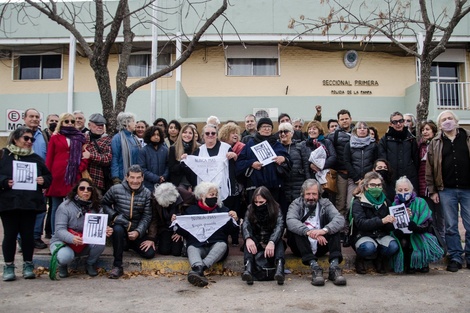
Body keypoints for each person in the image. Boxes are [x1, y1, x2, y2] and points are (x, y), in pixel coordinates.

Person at [0, 127, 52, 281]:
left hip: (29, 203)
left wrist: (44, 181)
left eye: (32, 139)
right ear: (15, 139)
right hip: (9, 203)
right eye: (26, 138)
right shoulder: (3, 156)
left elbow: (48, 176)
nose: (29, 142)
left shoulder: (35, 158)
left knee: (28, 236)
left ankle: (28, 264)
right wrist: (4, 181)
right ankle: (9, 266)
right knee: (10, 235)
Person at [426, 110, 470, 272]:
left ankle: (469, 256)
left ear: (456, 121)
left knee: (469, 224)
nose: (447, 121)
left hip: (467, 189)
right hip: (446, 190)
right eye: (444, 119)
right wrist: (433, 191)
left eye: (450, 118)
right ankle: (455, 256)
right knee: (451, 226)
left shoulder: (467, 138)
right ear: (439, 125)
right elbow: (429, 169)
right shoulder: (435, 143)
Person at [175, 182, 239, 287]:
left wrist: (234, 220)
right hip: (198, 245)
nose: (214, 197)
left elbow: (231, 231)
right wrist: (177, 224)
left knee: (222, 245)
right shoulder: (191, 211)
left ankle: (199, 269)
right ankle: (198, 268)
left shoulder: (223, 210)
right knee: (191, 248)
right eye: (211, 195)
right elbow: (184, 232)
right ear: (202, 196)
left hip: (215, 246)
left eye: (215, 195)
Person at [286, 179, 346, 286]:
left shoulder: (325, 203)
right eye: (308, 194)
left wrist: (324, 230)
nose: (311, 197)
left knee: (334, 229)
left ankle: (334, 268)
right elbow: (290, 221)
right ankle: (315, 268)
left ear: (319, 194)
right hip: (301, 246)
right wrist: (308, 232)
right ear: (303, 194)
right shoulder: (296, 204)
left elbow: (339, 219)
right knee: (296, 230)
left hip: (321, 244)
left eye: (314, 194)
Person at [49, 178, 113, 278]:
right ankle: (62, 265)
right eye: (82, 188)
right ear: (76, 191)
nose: (86, 191)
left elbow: (99, 228)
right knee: (65, 257)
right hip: (63, 242)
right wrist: (72, 238)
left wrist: (106, 229)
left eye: (89, 189)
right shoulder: (64, 207)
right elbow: (59, 230)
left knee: (100, 242)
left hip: (84, 241)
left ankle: (90, 263)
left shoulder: (97, 207)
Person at [102, 165, 154, 279]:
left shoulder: (146, 193)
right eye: (132, 177)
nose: (135, 181)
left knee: (149, 253)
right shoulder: (116, 189)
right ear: (126, 177)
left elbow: (147, 216)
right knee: (118, 229)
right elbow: (104, 204)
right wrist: (114, 216)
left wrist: (138, 232)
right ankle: (117, 266)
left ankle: (128, 244)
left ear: (142, 178)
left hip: (136, 229)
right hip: (120, 226)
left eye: (138, 178)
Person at [390, 176, 444, 274]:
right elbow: (392, 225)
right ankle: (409, 264)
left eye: (406, 189)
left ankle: (423, 263)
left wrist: (416, 226)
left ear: (411, 190)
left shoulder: (420, 202)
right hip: (404, 235)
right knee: (403, 242)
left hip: (419, 232)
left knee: (420, 239)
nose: (403, 192)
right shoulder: (394, 205)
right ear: (396, 191)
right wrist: (397, 229)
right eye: (400, 190)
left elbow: (427, 222)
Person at [46, 113, 88, 235]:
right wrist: (47, 176)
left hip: (74, 176)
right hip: (57, 176)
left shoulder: (81, 138)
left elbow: (85, 156)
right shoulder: (55, 137)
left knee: (74, 206)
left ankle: (72, 234)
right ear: (61, 123)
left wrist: (79, 168)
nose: (69, 123)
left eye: (72, 121)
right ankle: (56, 235)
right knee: (56, 207)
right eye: (66, 121)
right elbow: (49, 158)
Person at [350, 171, 399, 274]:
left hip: (381, 234)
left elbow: (390, 226)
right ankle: (360, 259)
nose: (376, 187)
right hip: (363, 235)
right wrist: (382, 221)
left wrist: (399, 217)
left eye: (379, 185)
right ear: (366, 186)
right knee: (368, 247)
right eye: (372, 185)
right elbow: (361, 223)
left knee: (393, 246)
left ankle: (379, 258)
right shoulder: (358, 202)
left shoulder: (386, 201)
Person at [236, 117, 291, 203]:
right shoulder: (250, 144)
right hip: (255, 186)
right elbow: (239, 163)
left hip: (274, 187)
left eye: (269, 127)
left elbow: (289, 161)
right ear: (258, 129)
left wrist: (283, 159)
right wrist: (251, 163)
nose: (266, 129)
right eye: (263, 127)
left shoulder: (277, 144)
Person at [241, 186, 285, 285]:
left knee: (279, 243)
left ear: (267, 200)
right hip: (256, 239)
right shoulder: (250, 208)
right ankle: (248, 269)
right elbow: (245, 224)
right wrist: (248, 238)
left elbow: (280, 226)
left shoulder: (276, 208)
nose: (258, 205)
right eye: (256, 202)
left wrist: (272, 241)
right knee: (248, 244)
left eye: (261, 202)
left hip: (271, 238)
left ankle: (280, 269)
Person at [145, 183, 195, 256]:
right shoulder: (155, 197)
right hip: (164, 226)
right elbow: (154, 219)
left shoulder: (186, 196)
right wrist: (151, 238)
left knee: (176, 252)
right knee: (164, 250)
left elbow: (191, 215)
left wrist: (182, 230)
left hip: (180, 227)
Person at [23, 108, 49, 249]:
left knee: (40, 209)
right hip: (22, 180)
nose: (34, 119)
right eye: (31, 116)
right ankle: (22, 239)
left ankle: (36, 237)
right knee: (23, 210)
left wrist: (46, 178)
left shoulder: (43, 135)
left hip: (40, 179)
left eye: (37, 116)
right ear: (25, 118)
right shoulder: (18, 134)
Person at [326, 109, 353, 237]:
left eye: (346, 118)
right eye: (342, 119)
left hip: (355, 176)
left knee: (352, 204)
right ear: (338, 121)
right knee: (340, 204)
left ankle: (351, 230)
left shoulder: (358, 133)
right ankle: (341, 231)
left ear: (351, 119)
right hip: (341, 174)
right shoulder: (333, 136)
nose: (344, 121)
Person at [379, 111, 419, 194]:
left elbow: (416, 159)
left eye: (400, 121)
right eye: (395, 122)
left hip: (409, 178)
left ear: (403, 122)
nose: (398, 124)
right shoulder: (385, 140)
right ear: (391, 124)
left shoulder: (411, 139)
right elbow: (383, 160)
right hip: (391, 180)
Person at [418, 121, 445, 242]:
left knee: (441, 216)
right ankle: (432, 240)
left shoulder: (439, 144)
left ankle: (442, 241)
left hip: (438, 185)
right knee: (429, 215)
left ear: (433, 131)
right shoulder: (420, 146)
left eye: (427, 129)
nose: (425, 132)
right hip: (423, 185)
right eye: (423, 130)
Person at [344, 121, 378, 207]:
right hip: (353, 180)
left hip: (369, 180)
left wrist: (368, 177)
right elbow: (347, 162)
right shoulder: (349, 145)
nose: (362, 130)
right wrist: (356, 178)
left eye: (364, 128)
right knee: (350, 204)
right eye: (359, 128)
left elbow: (376, 161)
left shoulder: (373, 145)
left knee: (369, 204)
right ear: (355, 130)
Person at [278, 122, 308, 216]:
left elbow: (306, 166)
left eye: (286, 131)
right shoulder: (276, 148)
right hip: (283, 187)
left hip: (298, 185)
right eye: (280, 132)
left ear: (292, 133)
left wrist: (307, 184)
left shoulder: (300, 147)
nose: (283, 134)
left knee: (298, 213)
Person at [82, 113, 112, 194]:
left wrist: (90, 156)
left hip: (97, 180)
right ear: (89, 125)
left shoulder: (108, 140)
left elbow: (107, 159)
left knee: (97, 203)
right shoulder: (82, 137)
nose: (100, 127)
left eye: (102, 125)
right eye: (97, 125)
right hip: (81, 179)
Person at [110, 112, 141, 183]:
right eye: (133, 121)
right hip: (122, 176)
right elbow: (115, 158)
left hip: (136, 176)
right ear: (126, 123)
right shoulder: (117, 138)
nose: (135, 123)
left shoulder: (134, 138)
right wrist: (115, 177)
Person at [138, 126, 169, 191]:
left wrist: (164, 176)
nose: (156, 137)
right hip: (148, 186)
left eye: (158, 135)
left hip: (164, 185)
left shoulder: (166, 150)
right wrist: (156, 178)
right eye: (154, 135)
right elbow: (142, 169)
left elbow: (168, 166)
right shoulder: (143, 151)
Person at [168, 124, 199, 188]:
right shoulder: (173, 149)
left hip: (193, 183)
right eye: (185, 132)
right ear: (181, 134)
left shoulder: (197, 149)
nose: (187, 135)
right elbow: (172, 169)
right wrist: (182, 163)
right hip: (179, 184)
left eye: (190, 133)